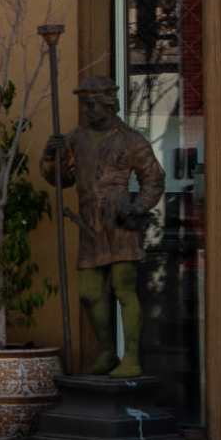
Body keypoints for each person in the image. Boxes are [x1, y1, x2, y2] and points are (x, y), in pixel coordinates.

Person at [45, 80, 163, 379]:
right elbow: (62, 180)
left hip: (120, 221)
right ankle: (107, 351)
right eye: (84, 105)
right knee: (88, 292)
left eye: (91, 104)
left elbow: (154, 179)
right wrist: (50, 157)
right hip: (89, 222)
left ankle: (132, 357)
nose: (86, 110)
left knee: (124, 287)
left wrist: (137, 207)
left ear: (109, 104)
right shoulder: (76, 138)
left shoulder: (131, 140)